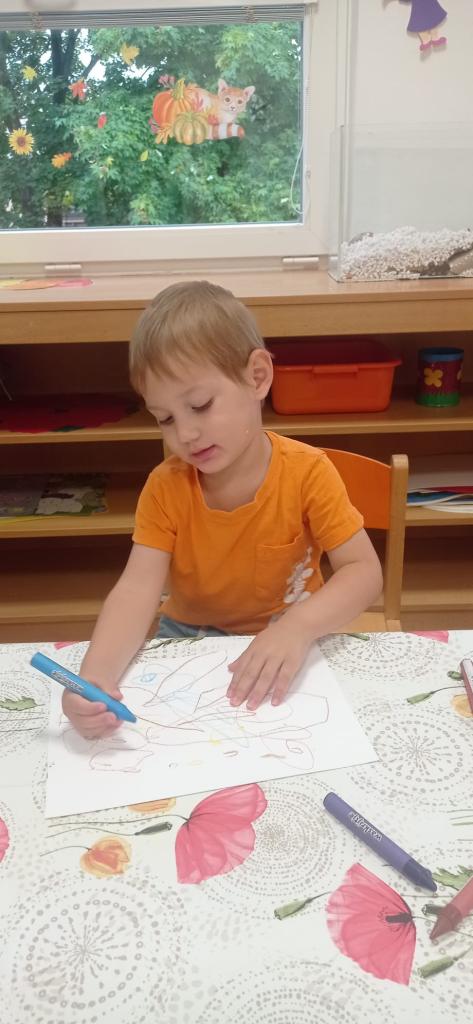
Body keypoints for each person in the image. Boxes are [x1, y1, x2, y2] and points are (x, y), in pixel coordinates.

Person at [63, 281, 382, 739]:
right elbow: (136, 590)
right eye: (166, 418)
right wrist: (94, 676)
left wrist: (298, 628)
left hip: (291, 635)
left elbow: (363, 572)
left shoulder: (308, 472)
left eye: (200, 405)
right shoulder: (165, 487)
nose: (185, 434)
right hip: (188, 637)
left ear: (257, 377)